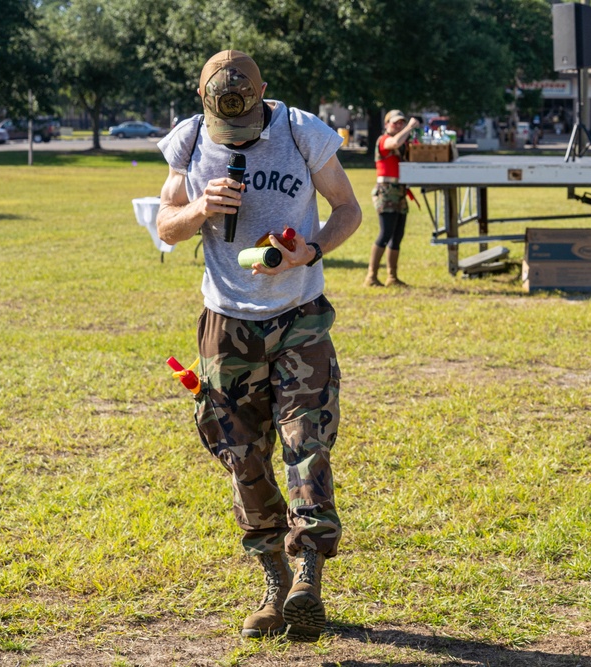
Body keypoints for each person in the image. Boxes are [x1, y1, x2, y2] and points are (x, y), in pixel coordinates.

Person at [155, 50, 363, 640]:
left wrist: (312, 250)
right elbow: (165, 227)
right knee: (241, 455)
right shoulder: (190, 142)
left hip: (299, 318)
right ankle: (272, 579)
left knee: (307, 445)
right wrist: (198, 207)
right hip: (226, 326)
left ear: (264, 92)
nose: (239, 139)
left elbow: (347, 208)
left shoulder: (302, 132)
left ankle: (307, 579)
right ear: (202, 102)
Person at [364, 109, 420, 287]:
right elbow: (393, 143)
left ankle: (392, 277)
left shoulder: (404, 142)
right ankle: (371, 276)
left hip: (400, 192)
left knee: (397, 235)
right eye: (395, 122)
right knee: (385, 233)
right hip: (387, 192)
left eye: (401, 123)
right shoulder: (384, 140)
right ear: (387, 124)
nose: (399, 125)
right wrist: (410, 127)